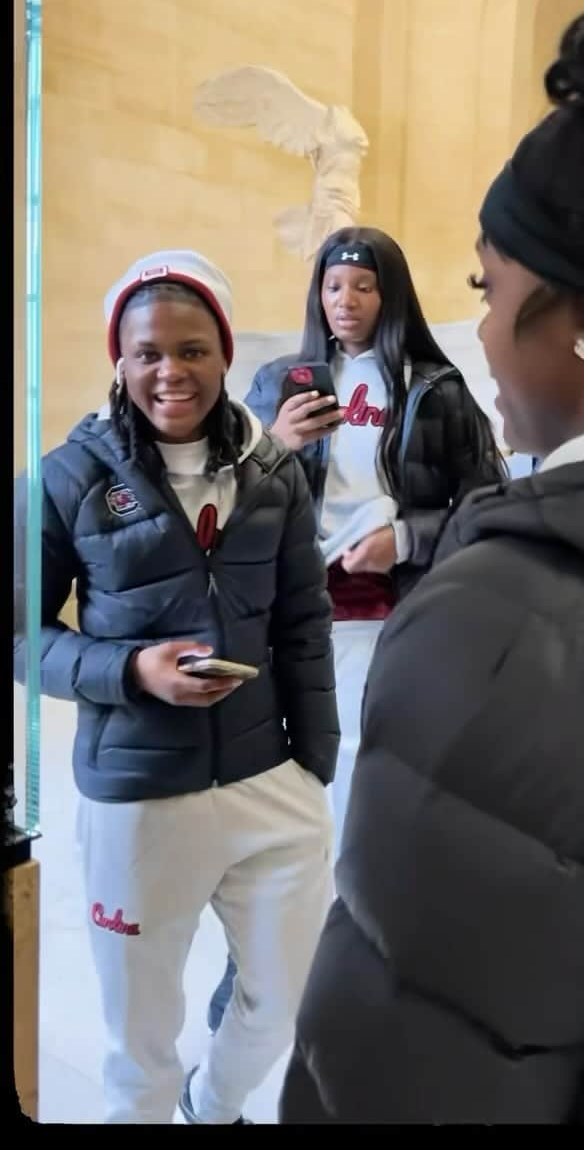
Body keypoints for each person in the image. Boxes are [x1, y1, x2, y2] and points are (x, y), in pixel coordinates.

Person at [278, 0, 584, 1124]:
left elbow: (408, 1066)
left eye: (489, 286)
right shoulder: (288, 385)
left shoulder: (508, 621)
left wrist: (413, 544)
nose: (480, 329)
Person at [13, 250, 339, 1124]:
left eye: (192, 350)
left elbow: (304, 623)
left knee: (282, 999)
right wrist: (128, 670)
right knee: (140, 1039)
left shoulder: (275, 474)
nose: (170, 372)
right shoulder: (64, 477)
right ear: (118, 359)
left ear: (225, 353)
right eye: (148, 351)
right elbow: (20, 631)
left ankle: (216, 1104)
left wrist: (313, 765)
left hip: (270, 780)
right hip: (139, 793)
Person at [206, 225, 507, 1034]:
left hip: (393, 618)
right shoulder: (279, 384)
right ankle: (260, 970)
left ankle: (375, 956)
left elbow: (488, 503)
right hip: (296, 618)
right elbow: (217, 510)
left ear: (391, 293)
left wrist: (404, 538)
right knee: (282, 797)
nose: (347, 301)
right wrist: (273, 444)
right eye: (335, 286)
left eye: (365, 286)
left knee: (377, 790)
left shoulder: (434, 391)